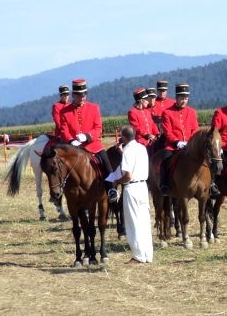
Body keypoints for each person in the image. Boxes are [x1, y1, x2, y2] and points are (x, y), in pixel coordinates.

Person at [59, 79, 118, 203]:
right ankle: (60, 193)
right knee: (59, 168)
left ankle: (111, 190)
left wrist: (87, 136)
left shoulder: (94, 107)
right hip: (75, 147)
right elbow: (64, 131)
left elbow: (98, 128)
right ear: (74, 95)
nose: (82, 97)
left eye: (84, 94)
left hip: (93, 145)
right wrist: (70, 141)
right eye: (80, 95)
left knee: (107, 165)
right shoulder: (64, 111)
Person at [111, 125, 153, 264]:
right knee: (144, 221)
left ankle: (138, 255)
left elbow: (128, 175)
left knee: (133, 222)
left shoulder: (128, 151)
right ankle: (147, 254)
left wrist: (117, 181)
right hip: (143, 187)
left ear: (123, 137)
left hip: (132, 188)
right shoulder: (141, 148)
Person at [159, 83, 203, 195]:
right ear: (176, 98)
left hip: (190, 145)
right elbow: (167, 131)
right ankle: (164, 184)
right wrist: (177, 142)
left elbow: (195, 129)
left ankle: (211, 184)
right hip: (173, 146)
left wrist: (191, 142)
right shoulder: (167, 113)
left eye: (186, 98)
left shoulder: (192, 112)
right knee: (165, 159)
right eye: (181, 98)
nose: (184, 101)